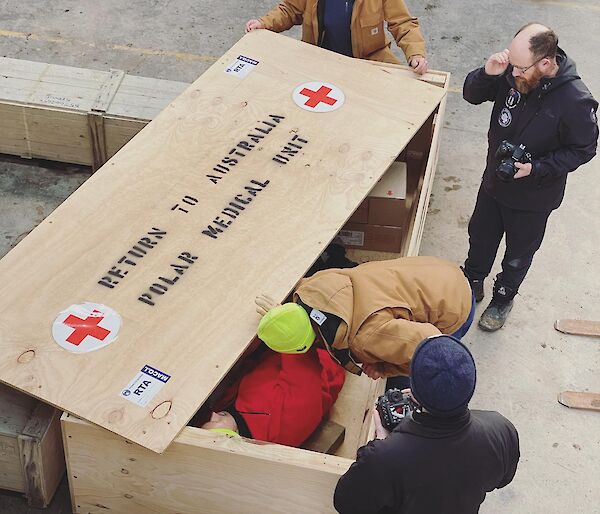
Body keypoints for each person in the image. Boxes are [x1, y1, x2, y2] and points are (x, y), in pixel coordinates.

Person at [461, 23, 598, 331]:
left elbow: (584, 150)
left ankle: (502, 298)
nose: (515, 73)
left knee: (518, 255)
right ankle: (472, 281)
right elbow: (471, 95)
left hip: (533, 199)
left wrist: (537, 168)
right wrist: (488, 73)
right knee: (479, 238)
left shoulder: (576, 101)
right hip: (494, 183)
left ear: (546, 63)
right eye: (512, 64)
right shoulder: (512, 72)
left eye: (520, 68)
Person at [333, 335, 520, 514]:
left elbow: (345, 503)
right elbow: (502, 480)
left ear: (413, 392)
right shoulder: (501, 429)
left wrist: (381, 444)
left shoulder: (383, 458)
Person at [256, 256, 475, 381]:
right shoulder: (318, 284)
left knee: (416, 376)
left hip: (456, 307)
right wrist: (281, 318)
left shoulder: (364, 338)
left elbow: (432, 343)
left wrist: (385, 369)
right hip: (441, 272)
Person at [199, 346, 345, 447]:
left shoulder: (227, 411)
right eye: (212, 423)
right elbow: (302, 355)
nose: (213, 414)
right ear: (231, 439)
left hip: (272, 354)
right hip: (319, 351)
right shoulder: (282, 423)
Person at [245, 0, 428, 74]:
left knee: (406, 94)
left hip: (367, 62)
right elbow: (290, 10)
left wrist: (416, 54)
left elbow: (402, 23)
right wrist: (264, 23)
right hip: (319, 60)